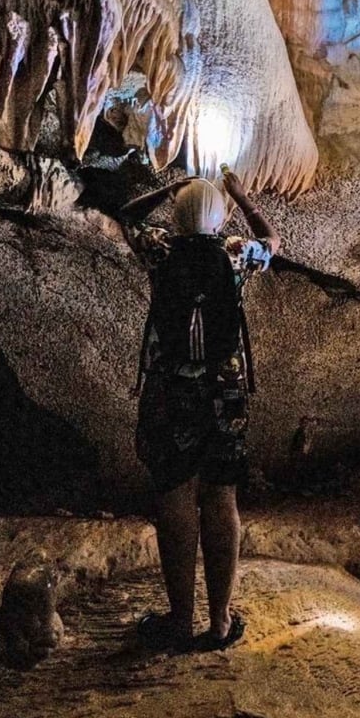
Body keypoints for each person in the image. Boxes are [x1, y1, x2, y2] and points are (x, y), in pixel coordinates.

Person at [119, 171, 278, 652]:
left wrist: (167, 189)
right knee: (221, 496)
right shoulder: (235, 252)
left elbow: (126, 216)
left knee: (176, 494)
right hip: (225, 392)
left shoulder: (160, 248)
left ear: (177, 214)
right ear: (220, 218)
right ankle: (221, 621)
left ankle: (181, 621)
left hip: (170, 390)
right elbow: (273, 241)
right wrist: (243, 198)